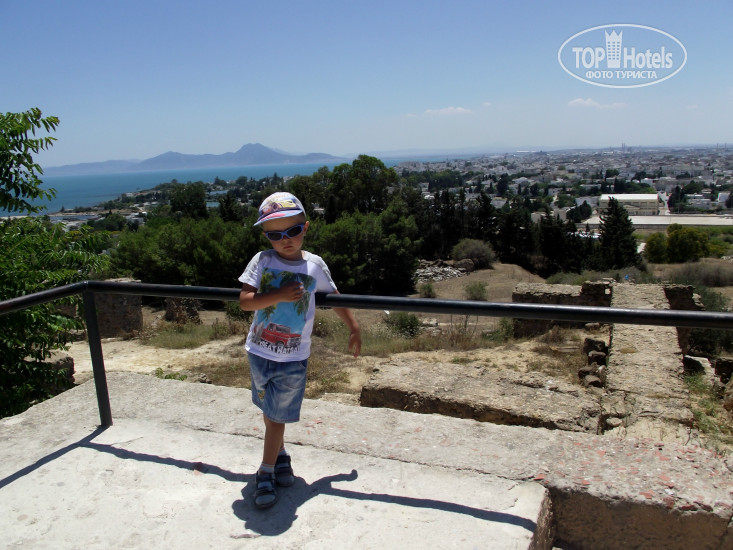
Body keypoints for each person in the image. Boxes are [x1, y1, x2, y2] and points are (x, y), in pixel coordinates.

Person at [238, 191, 361, 509]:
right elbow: (245, 301)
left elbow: (335, 297)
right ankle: (279, 456)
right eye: (275, 235)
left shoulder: (314, 266)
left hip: (292, 358)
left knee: (276, 416)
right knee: (270, 412)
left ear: (305, 227)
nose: (285, 240)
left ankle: (265, 471)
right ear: (266, 236)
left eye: (292, 231)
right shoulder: (263, 261)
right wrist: (278, 295)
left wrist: (354, 326)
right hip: (259, 351)